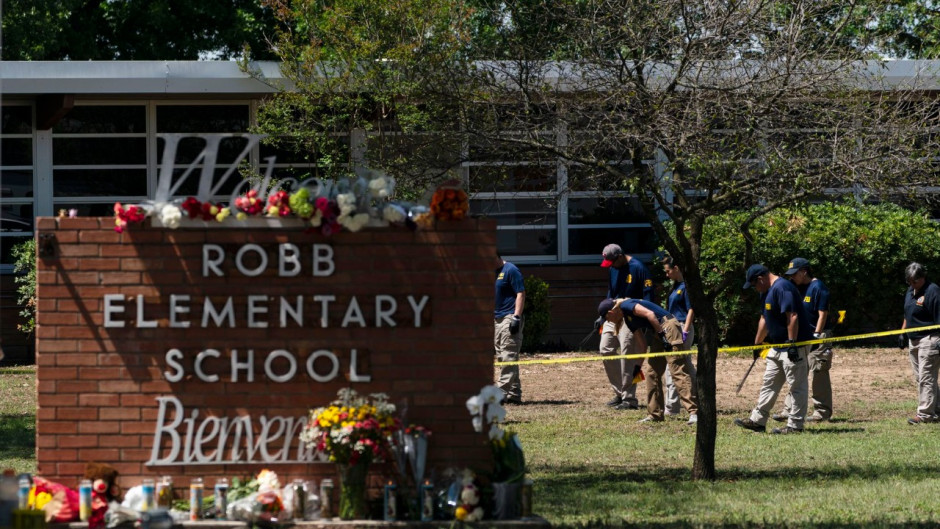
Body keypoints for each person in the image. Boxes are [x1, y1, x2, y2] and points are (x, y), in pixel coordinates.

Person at [734, 264, 814, 434]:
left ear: (761, 279)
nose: (755, 289)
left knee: (797, 386)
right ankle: (758, 420)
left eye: (755, 285)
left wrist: (792, 343)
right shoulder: (766, 292)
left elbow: (792, 316)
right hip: (776, 347)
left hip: (793, 346)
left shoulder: (782, 288)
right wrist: (757, 344)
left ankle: (795, 425)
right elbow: (764, 319)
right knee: (769, 384)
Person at [597, 296, 696, 424]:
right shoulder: (628, 320)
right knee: (651, 373)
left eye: (606, 319)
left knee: (677, 370)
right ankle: (655, 414)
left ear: (610, 313)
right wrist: (638, 366)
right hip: (659, 331)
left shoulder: (626, 305)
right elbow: (643, 345)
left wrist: (662, 336)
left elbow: (650, 314)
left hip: (668, 326)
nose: (607, 321)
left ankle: (694, 413)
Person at [773, 257, 834, 422]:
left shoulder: (819, 288)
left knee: (818, 372)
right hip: (802, 336)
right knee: (796, 371)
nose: (792, 277)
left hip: (818, 336)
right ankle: (789, 409)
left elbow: (823, 314)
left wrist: (817, 336)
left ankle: (821, 412)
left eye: (795, 274)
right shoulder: (795, 287)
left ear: (804, 272)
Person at [597, 244, 654, 410]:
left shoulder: (639, 268)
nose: (611, 266)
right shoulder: (613, 268)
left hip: (631, 315)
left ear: (620, 256)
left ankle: (629, 399)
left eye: (613, 262)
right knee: (605, 349)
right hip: (612, 313)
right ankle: (620, 392)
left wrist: (641, 319)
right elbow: (610, 292)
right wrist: (602, 315)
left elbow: (648, 297)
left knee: (628, 355)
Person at [899, 262, 940, 425]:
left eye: (914, 281)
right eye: (909, 282)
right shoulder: (910, 291)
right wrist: (903, 332)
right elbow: (907, 313)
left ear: (922, 277)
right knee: (921, 377)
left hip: (929, 340)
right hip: (913, 340)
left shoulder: (933, 291)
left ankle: (924, 415)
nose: (911, 285)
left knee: (926, 378)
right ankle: (936, 408)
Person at [660, 257, 699, 424]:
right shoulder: (675, 286)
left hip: (682, 326)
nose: (667, 275)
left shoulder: (686, 287)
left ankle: (672, 406)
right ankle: (694, 399)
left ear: (676, 268)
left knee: (675, 365)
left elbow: (691, 309)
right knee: (686, 366)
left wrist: (686, 329)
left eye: (668, 271)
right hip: (672, 327)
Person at [494, 252, 526, 405]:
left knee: (508, 356)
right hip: (496, 319)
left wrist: (516, 317)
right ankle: (514, 393)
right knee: (503, 356)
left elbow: (521, 293)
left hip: (509, 317)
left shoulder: (511, 270)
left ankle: (499, 394)